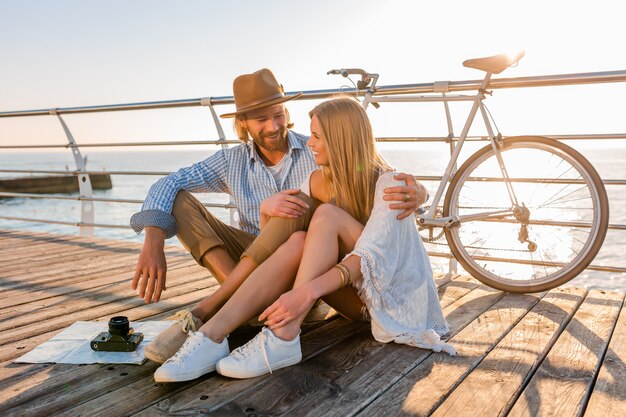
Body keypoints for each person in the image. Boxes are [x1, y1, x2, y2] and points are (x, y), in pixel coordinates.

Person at [130, 69, 428, 363]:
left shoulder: (319, 146)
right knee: (181, 201)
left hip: (312, 268)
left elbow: (368, 171)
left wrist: (419, 194)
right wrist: (153, 241)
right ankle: (239, 300)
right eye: (261, 119)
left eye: (278, 115)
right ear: (243, 124)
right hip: (259, 257)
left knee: (296, 210)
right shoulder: (230, 161)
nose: (273, 126)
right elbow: (168, 183)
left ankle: (211, 310)